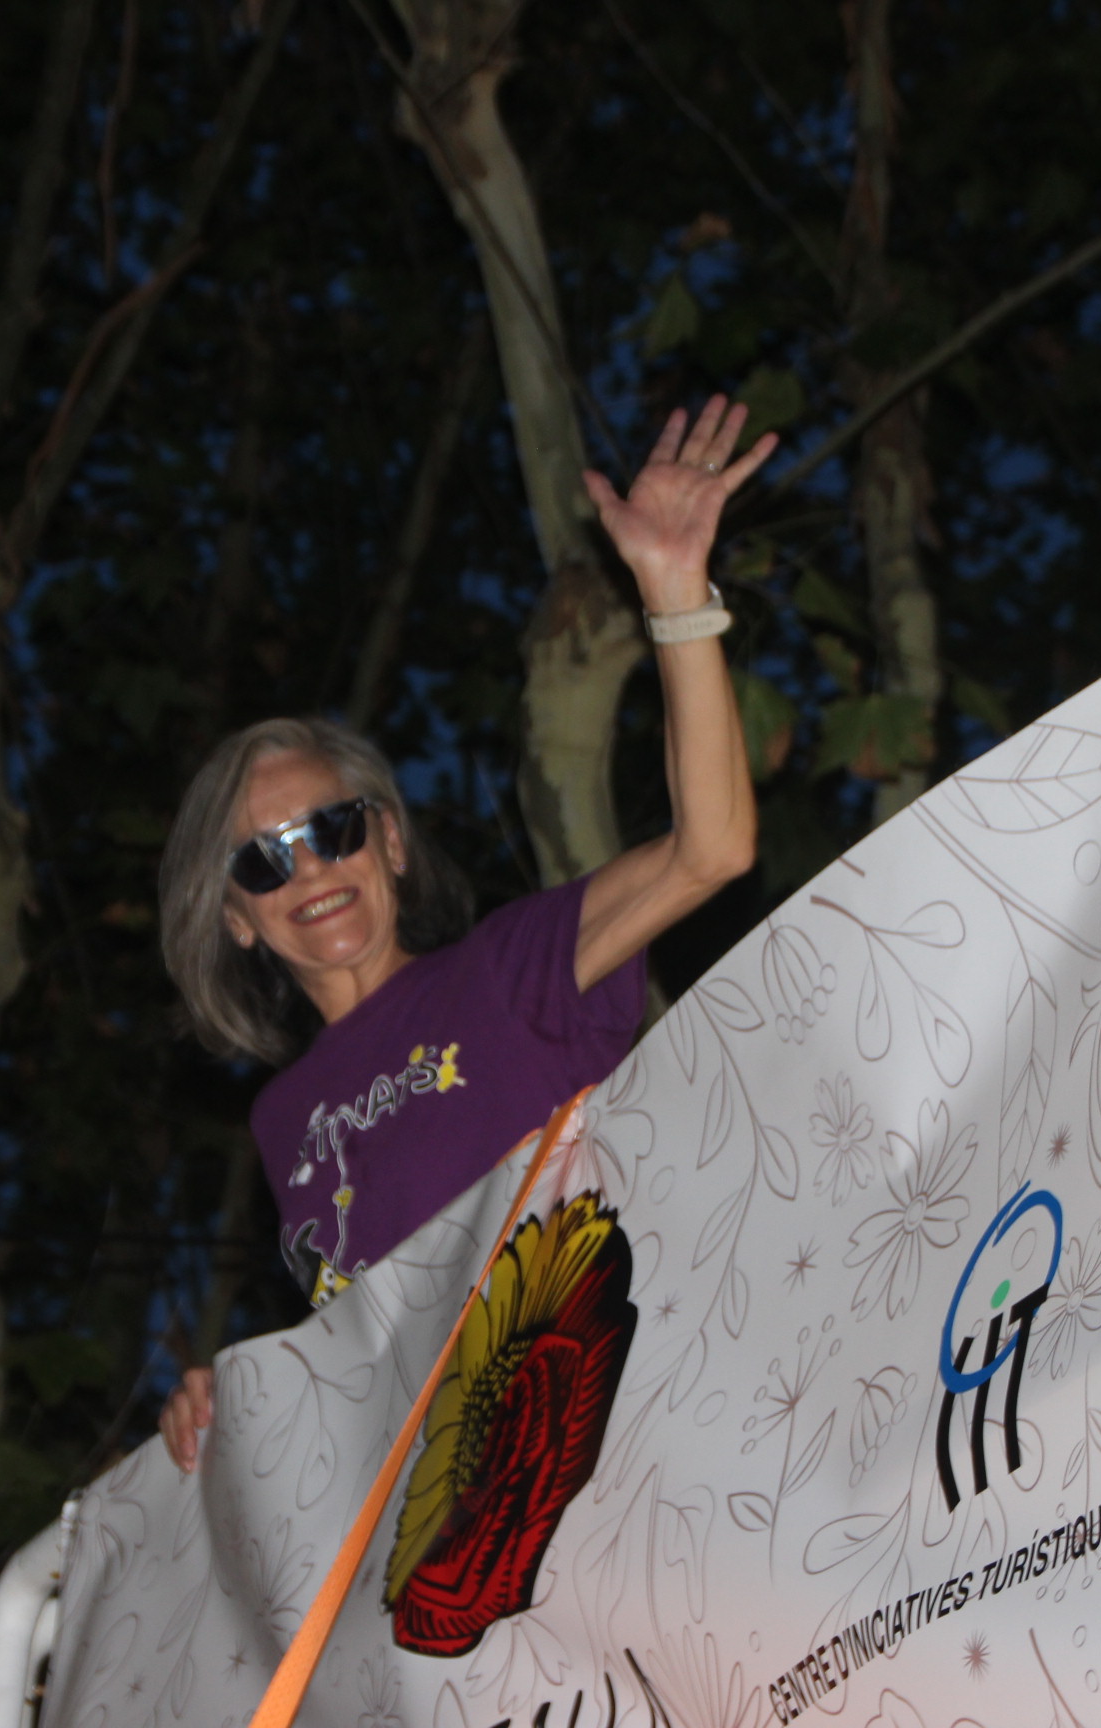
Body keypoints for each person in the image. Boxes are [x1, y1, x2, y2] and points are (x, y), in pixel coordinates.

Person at [154, 396, 773, 1470]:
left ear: (388, 843)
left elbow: (711, 848)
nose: (312, 871)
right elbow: (365, 1359)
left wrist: (675, 591)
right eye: (264, 860)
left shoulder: (505, 970)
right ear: (236, 919)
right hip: (459, 1494)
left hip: (625, 1427)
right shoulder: (283, 1121)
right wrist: (235, 1402)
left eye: (333, 830)